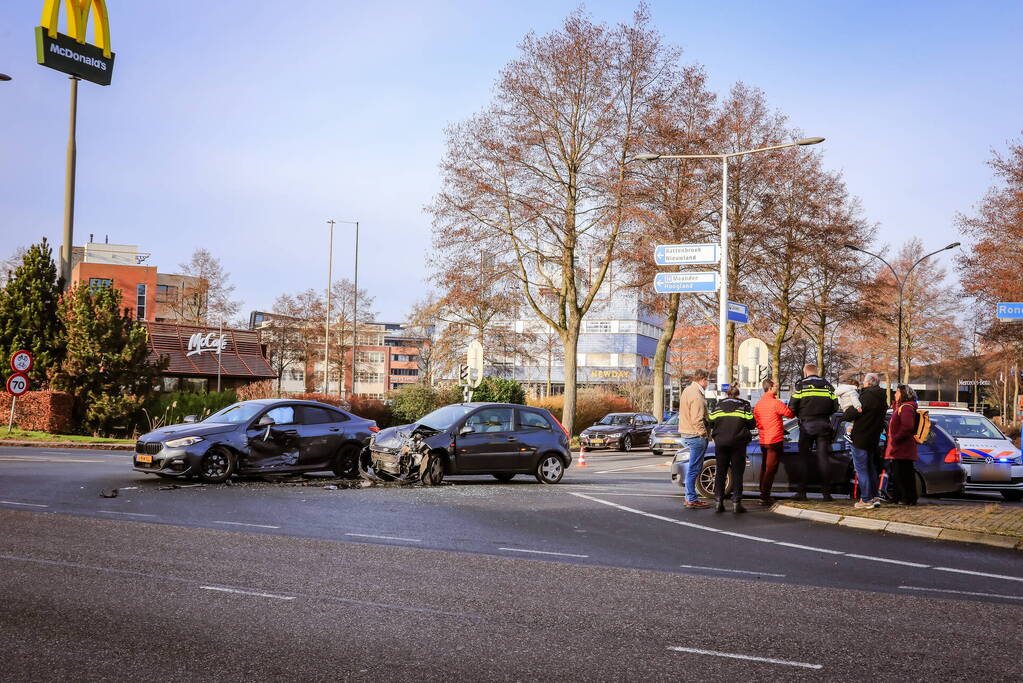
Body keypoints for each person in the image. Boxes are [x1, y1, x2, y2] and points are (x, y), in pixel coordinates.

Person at [789, 363, 840, 501]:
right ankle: (826, 493)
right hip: (824, 425)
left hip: (807, 426)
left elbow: (792, 406)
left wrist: (801, 413)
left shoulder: (801, 385)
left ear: (805, 373)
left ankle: (802, 492)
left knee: (804, 459)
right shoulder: (828, 385)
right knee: (823, 458)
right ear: (817, 372)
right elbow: (836, 406)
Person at [842, 373, 888, 509]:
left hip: (860, 437)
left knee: (861, 469)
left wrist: (847, 409)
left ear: (867, 383)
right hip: (874, 438)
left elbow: (851, 414)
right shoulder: (882, 397)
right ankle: (874, 497)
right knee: (871, 468)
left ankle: (866, 499)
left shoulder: (866, 396)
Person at [709, 386, 757, 514]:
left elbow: (710, 422)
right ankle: (736, 503)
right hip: (738, 443)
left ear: (727, 394)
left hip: (721, 443)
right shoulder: (744, 406)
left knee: (720, 471)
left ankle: (718, 501)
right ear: (738, 395)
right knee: (737, 472)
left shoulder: (718, 406)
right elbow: (752, 424)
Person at [753, 379, 794, 506]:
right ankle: (765, 496)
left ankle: (763, 493)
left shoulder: (758, 404)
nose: (777, 387)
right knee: (771, 469)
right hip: (774, 440)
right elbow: (790, 414)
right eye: (775, 386)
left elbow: (757, 422)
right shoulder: (776, 403)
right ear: (770, 387)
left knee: (764, 468)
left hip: (763, 440)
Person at [678, 369, 711, 509]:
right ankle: (691, 498)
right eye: (707, 380)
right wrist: (704, 435)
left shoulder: (687, 390)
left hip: (687, 433)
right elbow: (697, 419)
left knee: (693, 468)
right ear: (702, 380)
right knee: (694, 469)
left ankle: (689, 497)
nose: (708, 383)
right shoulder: (697, 396)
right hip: (695, 435)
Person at [885, 384, 920, 506]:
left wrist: (896, 439)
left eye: (897, 392)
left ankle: (906, 498)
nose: (895, 394)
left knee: (902, 473)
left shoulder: (906, 408)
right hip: (901, 447)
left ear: (903, 394)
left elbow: (907, 426)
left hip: (902, 447)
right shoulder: (902, 407)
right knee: (899, 473)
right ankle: (898, 497)